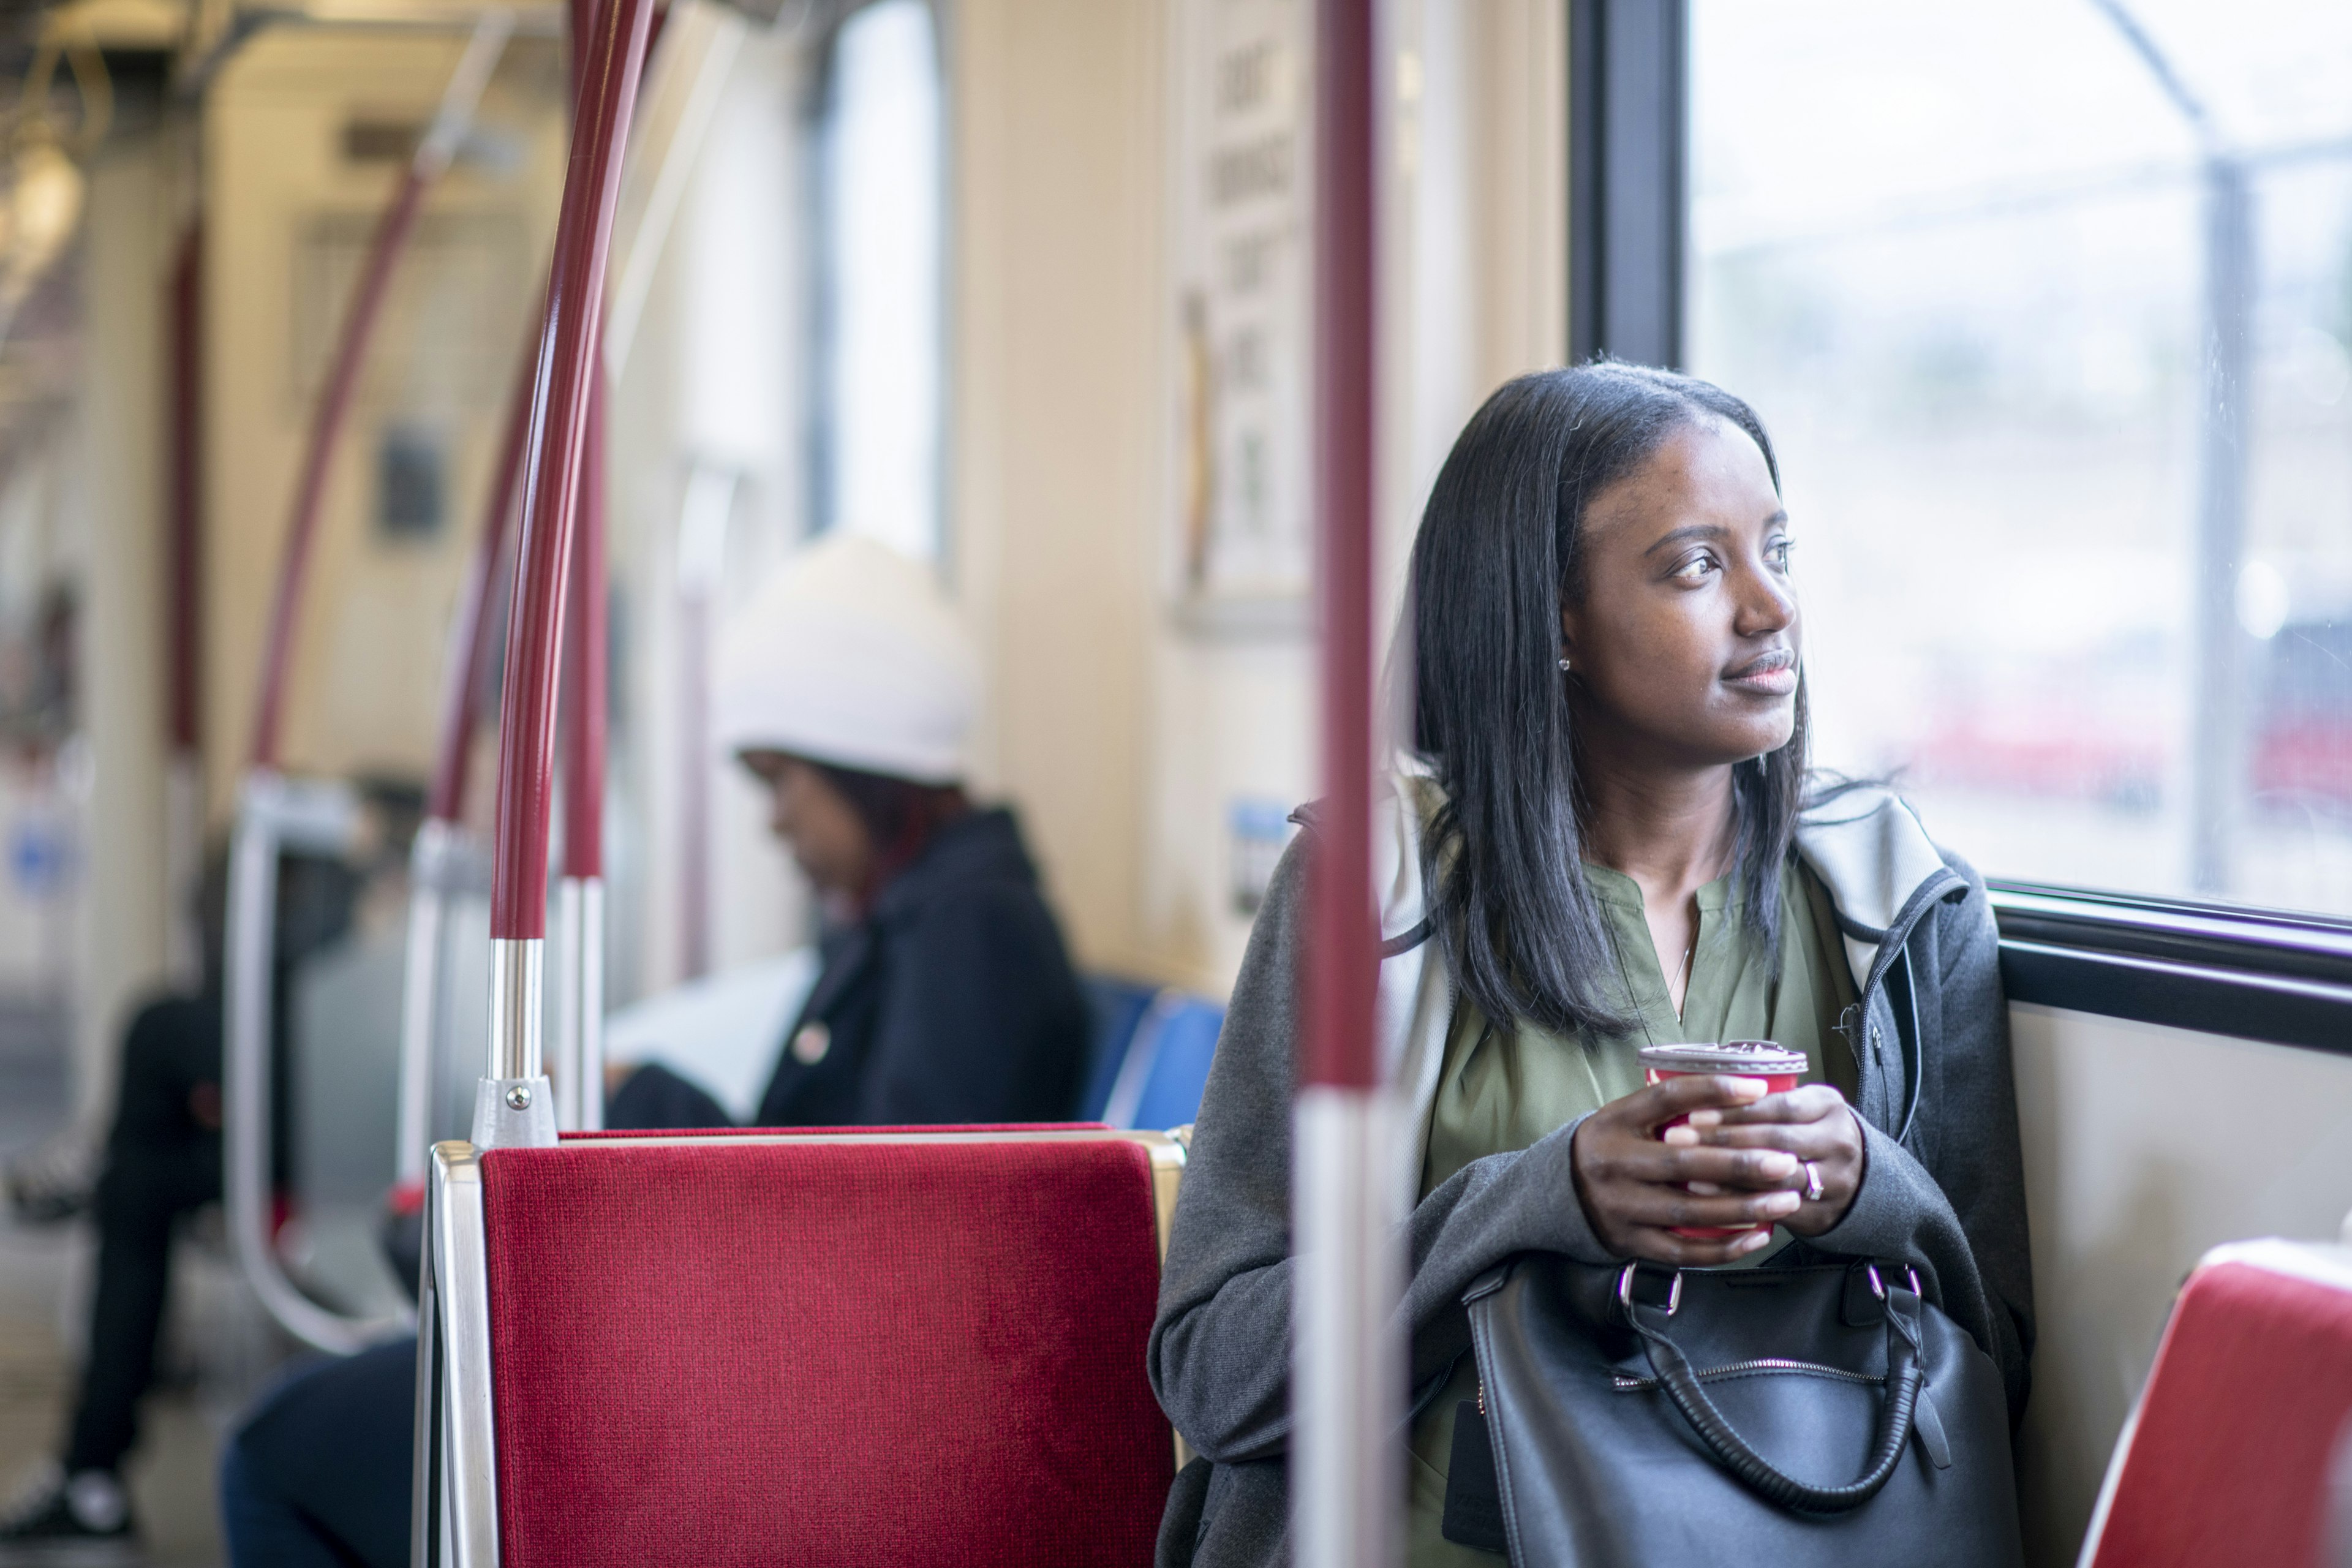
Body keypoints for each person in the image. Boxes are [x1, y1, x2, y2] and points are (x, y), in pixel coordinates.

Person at [1147, 363, 2034, 1567]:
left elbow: (2004, 1358)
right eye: (1696, 566)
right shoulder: (1374, 888)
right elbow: (1214, 1366)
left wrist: (1867, 1181)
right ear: (1552, 614)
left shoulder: (1903, 901)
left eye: (1778, 547)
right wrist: (1530, 1201)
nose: (1772, 608)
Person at [217, 532, 1092, 1568]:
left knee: (274, 1453)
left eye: (783, 783)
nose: (775, 824)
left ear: (868, 772)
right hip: (763, 1347)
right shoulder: (914, 920)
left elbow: (888, 1236)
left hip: (793, 1402)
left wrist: (651, 1108)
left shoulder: (970, 941)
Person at [0, 848, 360, 1564]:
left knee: (155, 1047)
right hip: (336, 1094)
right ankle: (91, 1475)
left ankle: (92, 1474)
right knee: (141, 1184)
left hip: (357, 1117)